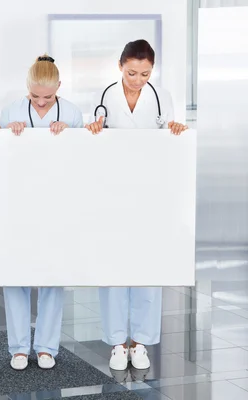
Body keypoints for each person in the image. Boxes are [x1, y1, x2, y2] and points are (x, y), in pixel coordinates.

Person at [85, 39, 188, 371]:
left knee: (147, 267)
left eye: (145, 74)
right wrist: (94, 130)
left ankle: (140, 342)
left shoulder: (162, 98)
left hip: (149, 195)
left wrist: (175, 130)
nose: (138, 80)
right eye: (132, 73)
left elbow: (170, 143)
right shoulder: (102, 98)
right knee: (114, 267)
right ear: (120, 67)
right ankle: (117, 342)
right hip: (111, 194)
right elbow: (92, 142)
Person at [0, 55, 83, 371]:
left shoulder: (72, 113)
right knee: (16, 275)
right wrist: (10, 132)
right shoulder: (11, 111)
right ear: (27, 89)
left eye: (48, 97)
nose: (42, 103)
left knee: (52, 275)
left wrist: (70, 134)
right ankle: (19, 348)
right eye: (35, 97)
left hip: (56, 204)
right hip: (18, 203)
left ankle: (46, 346)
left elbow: (83, 158)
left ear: (59, 87)